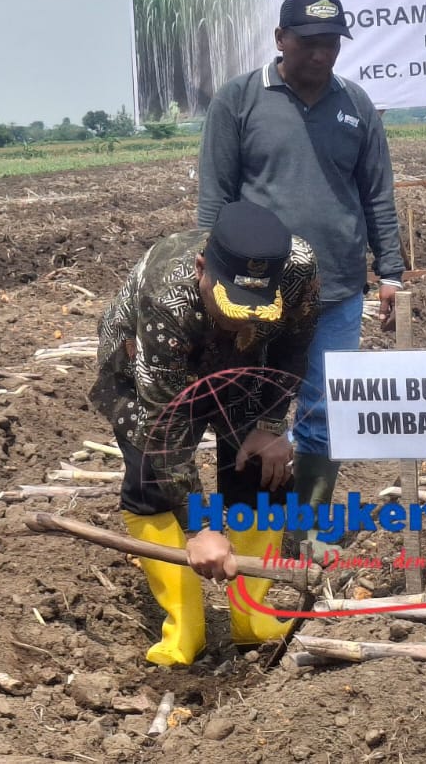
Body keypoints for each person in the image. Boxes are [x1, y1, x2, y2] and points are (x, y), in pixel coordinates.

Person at [197, 0, 404, 537]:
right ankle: (253, 529)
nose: (320, 53)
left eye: (331, 42)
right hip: (254, 289)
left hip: (336, 289)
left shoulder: (355, 105)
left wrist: (390, 272)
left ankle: (307, 529)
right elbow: (215, 199)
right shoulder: (239, 100)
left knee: (325, 411)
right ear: (280, 39)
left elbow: (377, 195)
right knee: (247, 403)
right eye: (308, 42)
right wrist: (210, 274)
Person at [90, 201, 320, 664]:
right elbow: (165, 426)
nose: (243, 317)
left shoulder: (296, 267)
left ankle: (252, 620)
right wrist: (201, 526)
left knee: (264, 474)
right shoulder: (165, 295)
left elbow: (295, 347)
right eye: (232, 304)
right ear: (201, 269)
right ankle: (185, 630)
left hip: (245, 361)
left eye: (257, 308)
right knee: (151, 483)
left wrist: (271, 424)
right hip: (146, 364)